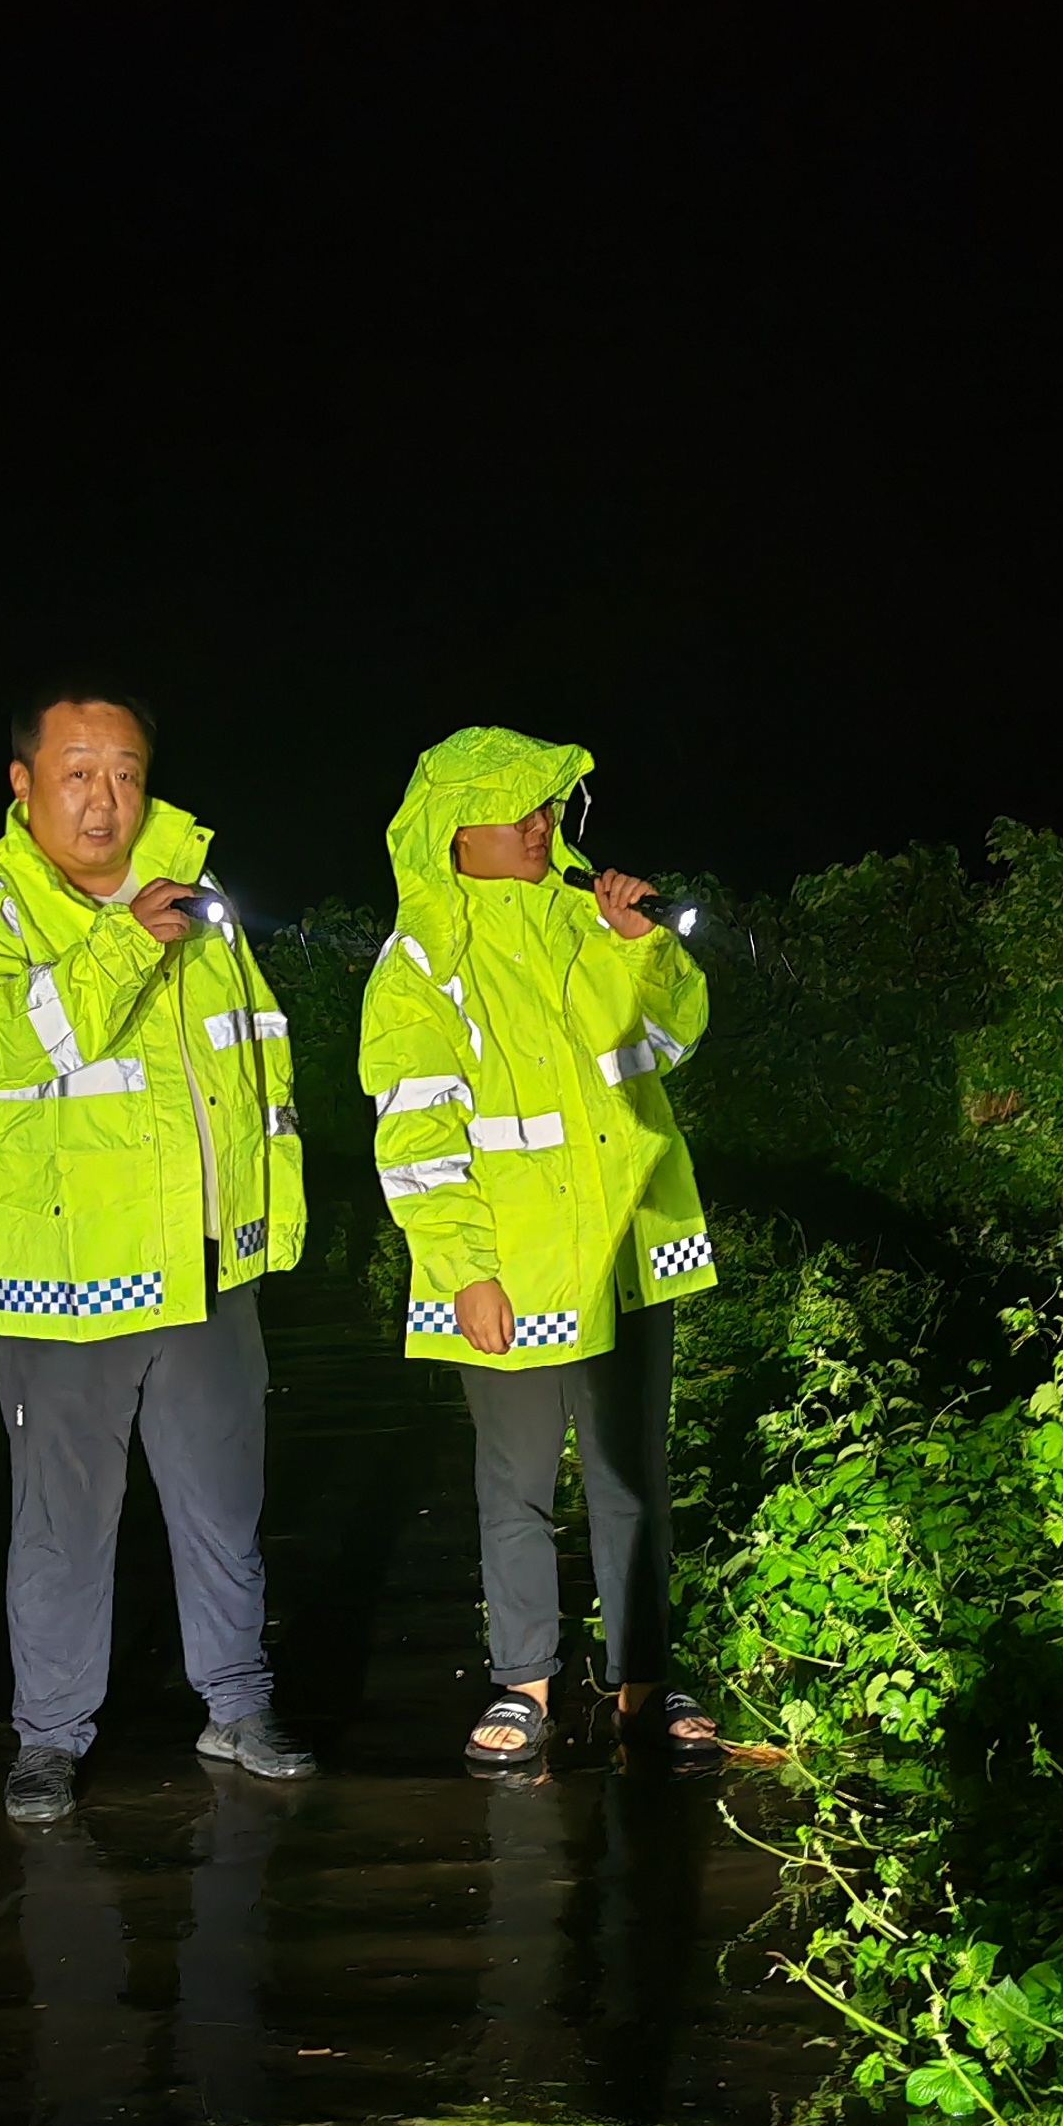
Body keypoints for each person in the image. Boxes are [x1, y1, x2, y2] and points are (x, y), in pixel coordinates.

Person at [0, 691, 317, 1821]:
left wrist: (262, 1228)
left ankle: (237, 1706)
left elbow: (248, 1071)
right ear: (22, 783)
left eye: (128, 774)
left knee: (224, 1504)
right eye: (79, 773)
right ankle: (47, 1735)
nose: (107, 799)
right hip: (69, 1280)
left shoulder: (198, 900)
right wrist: (124, 941)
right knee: (60, 1524)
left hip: (200, 1267)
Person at [358, 729, 723, 1771]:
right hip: (509, 1274)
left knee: (632, 1477)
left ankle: (643, 1681)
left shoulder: (586, 918)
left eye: (549, 805)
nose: (540, 823)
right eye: (515, 807)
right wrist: (464, 1266)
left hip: (625, 1250)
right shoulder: (423, 959)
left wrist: (637, 946)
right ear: (449, 829)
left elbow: (668, 1043)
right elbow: (417, 1133)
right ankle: (522, 1680)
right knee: (516, 1481)